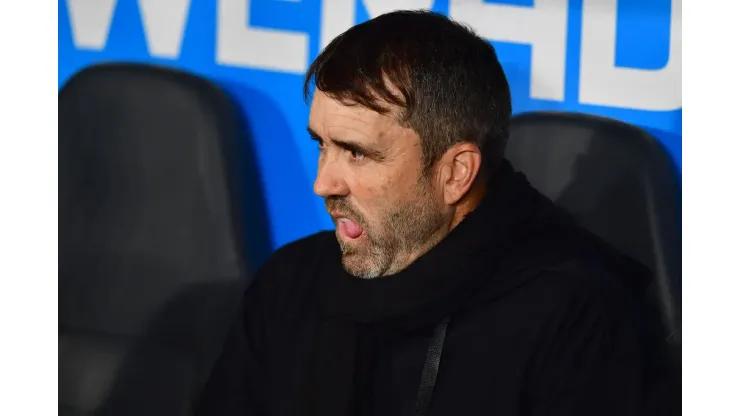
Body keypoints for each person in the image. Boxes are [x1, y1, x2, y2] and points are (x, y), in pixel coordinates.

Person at [195, 10, 670, 416]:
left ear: (456, 173)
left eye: (357, 153)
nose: (323, 183)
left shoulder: (577, 316)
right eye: (322, 144)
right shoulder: (291, 281)